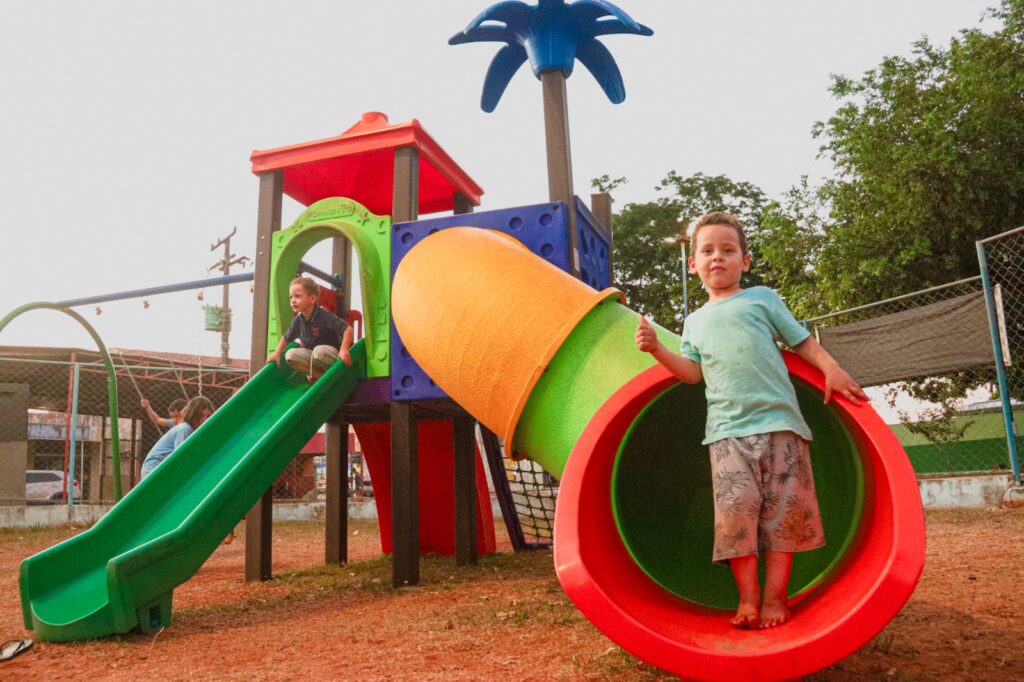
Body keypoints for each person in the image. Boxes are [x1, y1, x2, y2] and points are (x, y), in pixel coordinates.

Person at [634, 212, 866, 630]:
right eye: (707, 251)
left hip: (782, 427)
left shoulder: (762, 299)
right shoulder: (695, 322)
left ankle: (777, 598)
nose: (717, 258)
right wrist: (656, 350)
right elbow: (691, 372)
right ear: (693, 264)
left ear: (746, 260)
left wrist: (831, 368)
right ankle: (748, 599)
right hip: (726, 434)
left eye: (728, 250)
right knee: (736, 519)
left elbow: (801, 341)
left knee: (783, 518)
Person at [266, 276, 354, 379]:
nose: (293, 301)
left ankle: (330, 373)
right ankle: (317, 374)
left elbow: (348, 329)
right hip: (313, 356)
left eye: (297, 296)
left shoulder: (324, 316)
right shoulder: (298, 321)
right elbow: (286, 338)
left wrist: (343, 350)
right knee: (290, 354)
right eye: (291, 297)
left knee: (319, 352)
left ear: (312, 298)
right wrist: (277, 353)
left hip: (330, 355)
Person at [139, 396, 214, 479]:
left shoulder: (189, 429)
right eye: (204, 416)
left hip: (162, 468)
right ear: (194, 415)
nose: (206, 420)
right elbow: (180, 458)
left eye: (209, 416)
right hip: (154, 468)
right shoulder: (184, 428)